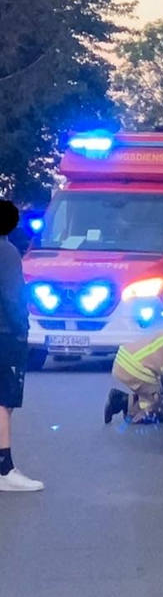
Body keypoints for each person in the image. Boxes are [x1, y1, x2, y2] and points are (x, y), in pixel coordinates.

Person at [0, 201, 39, 491]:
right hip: (4, 334)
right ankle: (5, 470)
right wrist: (22, 328)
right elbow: (13, 297)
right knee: (4, 401)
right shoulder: (6, 252)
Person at [106, 298, 163, 425]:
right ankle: (138, 414)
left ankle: (122, 400)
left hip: (125, 359)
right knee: (157, 403)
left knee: (151, 392)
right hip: (135, 368)